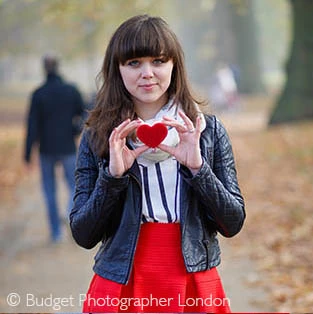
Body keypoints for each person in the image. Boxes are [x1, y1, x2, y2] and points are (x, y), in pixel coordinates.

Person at [70, 14, 245, 313]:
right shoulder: (99, 138)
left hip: (193, 280)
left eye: (159, 61)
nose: (147, 73)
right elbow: (84, 234)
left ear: (174, 65)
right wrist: (112, 177)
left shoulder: (207, 131)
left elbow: (232, 223)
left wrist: (199, 170)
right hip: (122, 279)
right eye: (134, 63)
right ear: (118, 69)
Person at [24, 54, 85, 243]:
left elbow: (32, 125)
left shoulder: (38, 93)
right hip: (67, 146)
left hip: (46, 149)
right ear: (58, 67)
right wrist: (75, 131)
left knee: (49, 191)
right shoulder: (71, 90)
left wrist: (27, 154)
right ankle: (69, 213)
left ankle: (56, 234)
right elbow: (84, 113)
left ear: (45, 69)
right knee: (75, 186)